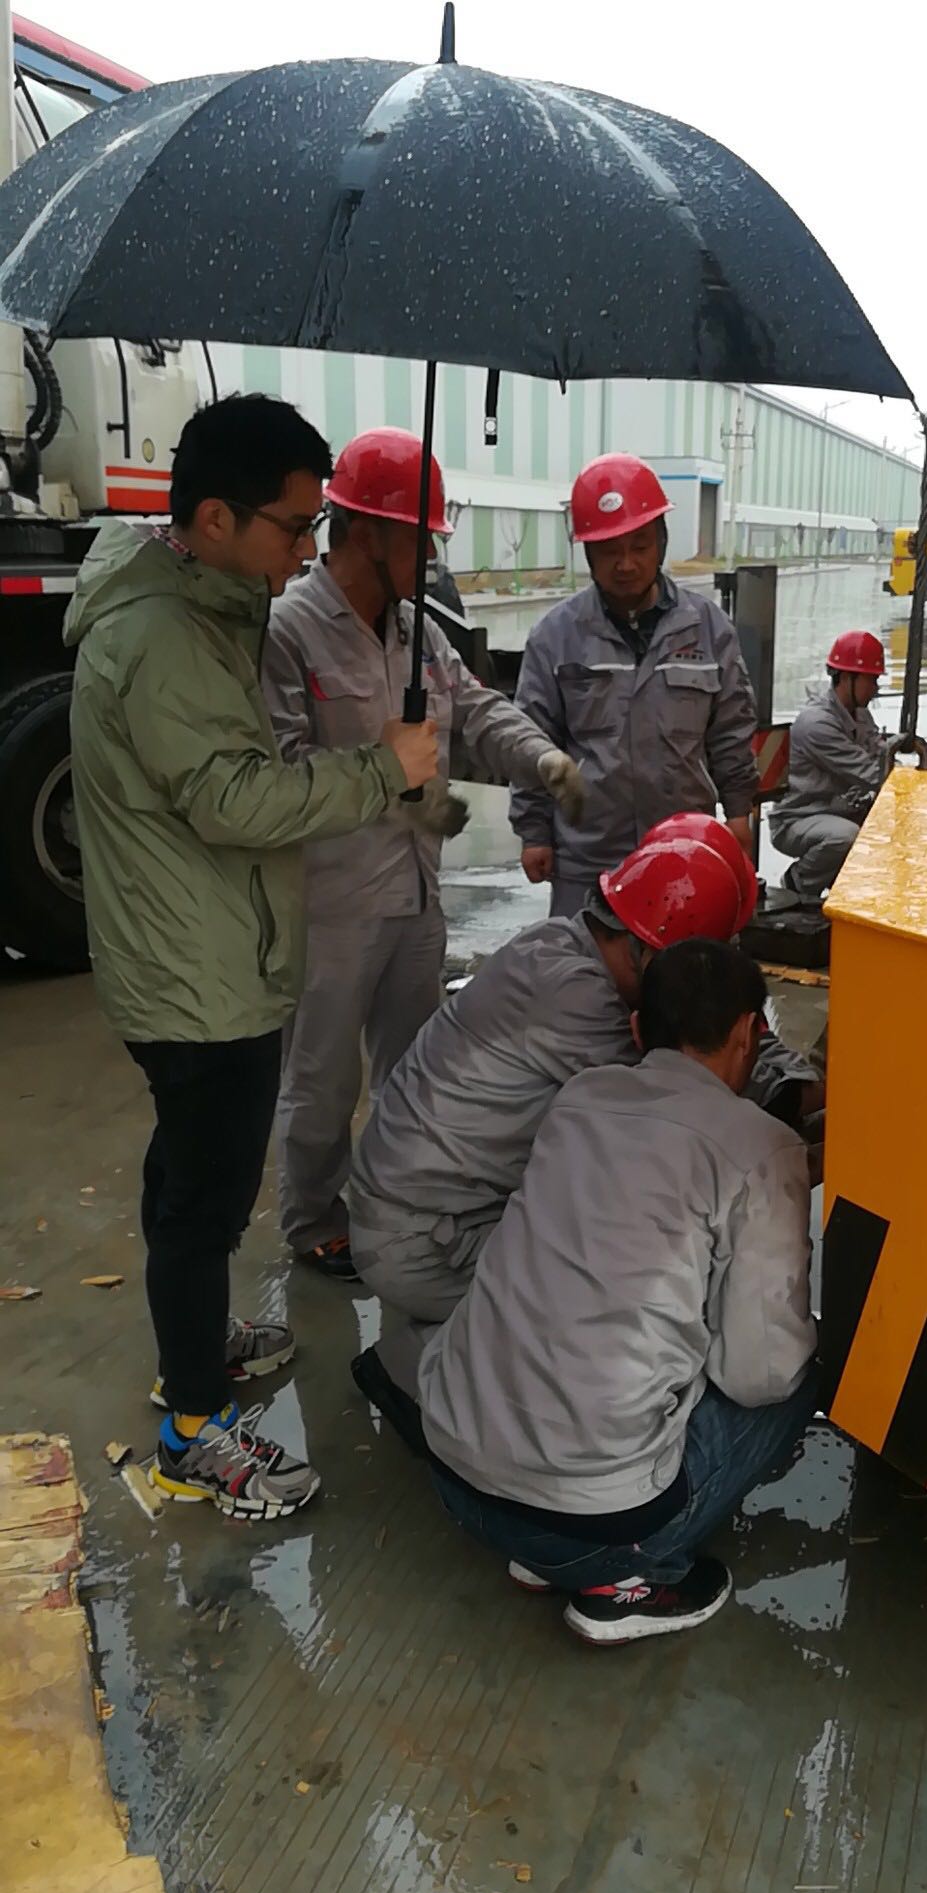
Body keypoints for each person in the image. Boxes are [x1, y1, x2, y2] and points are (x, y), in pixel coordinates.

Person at [66, 394, 439, 1520]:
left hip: (205, 951)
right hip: (197, 976)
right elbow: (232, 798)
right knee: (207, 1199)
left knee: (186, 1178)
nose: (308, 548)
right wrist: (381, 771)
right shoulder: (163, 639)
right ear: (216, 518)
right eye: (295, 525)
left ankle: (191, 1343)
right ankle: (192, 1432)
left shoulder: (203, 605)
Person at [348, 820, 820, 1427]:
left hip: (428, 1211)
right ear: (652, 956)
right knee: (675, 1281)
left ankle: (435, 1352)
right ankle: (423, 1368)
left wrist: (794, 1080)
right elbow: (704, 1111)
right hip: (427, 1244)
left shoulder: (559, 942)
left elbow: (727, 1036)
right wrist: (801, 1137)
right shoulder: (582, 1004)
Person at [419, 939, 818, 1646]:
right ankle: (629, 1582)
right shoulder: (761, 1147)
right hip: (595, 1525)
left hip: (455, 1475)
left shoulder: (580, 1097)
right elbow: (760, 1375)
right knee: (801, 1364)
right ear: (748, 1032)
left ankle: (543, 1551)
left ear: (637, 1029)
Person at [262, 428, 582, 1278]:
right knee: (323, 1077)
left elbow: (476, 710)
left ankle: (398, 1195)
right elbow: (280, 772)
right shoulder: (288, 632)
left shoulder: (421, 634)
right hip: (331, 905)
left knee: (415, 1066)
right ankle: (313, 1216)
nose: (432, 556)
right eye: (420, 538)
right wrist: (388, 774)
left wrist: (542, 759)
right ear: (367, 534)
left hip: (414, 891)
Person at [509, 453, 760, 918]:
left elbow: (731, 729)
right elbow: (532, 741)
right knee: (583, 963)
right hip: (588, 859)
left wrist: (739, 813)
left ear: (661, 542)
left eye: (639, 546)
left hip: (683, 853)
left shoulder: (708, 629)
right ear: (589, 554)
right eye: (609, 551)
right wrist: (534, 832)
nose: (625, 564)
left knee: (683, 964)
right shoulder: (555, 637)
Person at [769, 630, 888, 901]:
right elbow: (871, 773)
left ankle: (843, 890)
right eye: (871, 680)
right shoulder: (817, 724)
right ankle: (798, 883)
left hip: (835, 810)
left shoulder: (858, 713)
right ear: (846, 677)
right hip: (797, 819)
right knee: (846, 837)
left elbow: (880, 754)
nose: (876, 689)